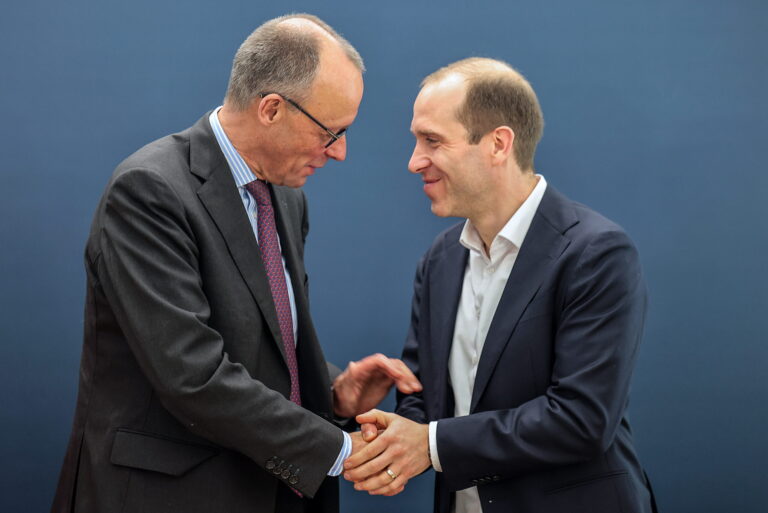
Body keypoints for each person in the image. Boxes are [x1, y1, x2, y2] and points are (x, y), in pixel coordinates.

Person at [51, 14, 421, 513]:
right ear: (271, 108)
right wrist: (339, 449)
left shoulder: (287, 199)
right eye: (331, 132)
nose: (340, 153)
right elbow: (192, 374)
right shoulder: (149, 192)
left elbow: (263, 341)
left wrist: (333, 387)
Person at [344, 58, 657, 513]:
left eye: (432, 141)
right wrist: (392, 439)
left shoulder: (597, 252)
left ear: (498, 144)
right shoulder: (440, 259)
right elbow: (425, 400)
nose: (414, 162)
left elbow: (581, 420)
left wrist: (428, 444)